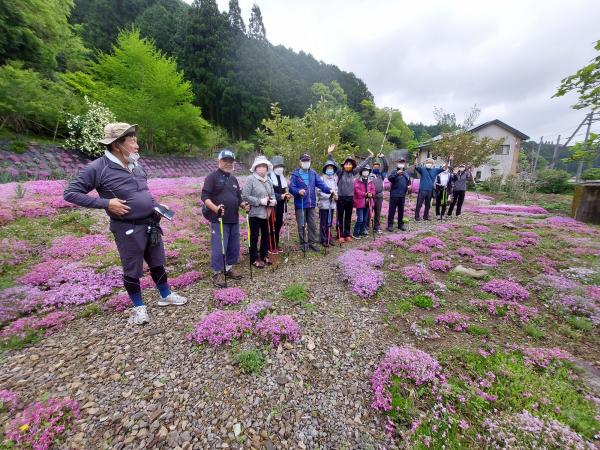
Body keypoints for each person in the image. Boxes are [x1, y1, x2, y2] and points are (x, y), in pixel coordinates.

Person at [63, 123, 187, 326]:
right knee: (132, 269)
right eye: (132, 141)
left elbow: (141, 192)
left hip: (150, 223)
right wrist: (106, 203)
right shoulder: (98, 168)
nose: (137, 145)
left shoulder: (135, 165)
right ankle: (138, 308)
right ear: (117, 145)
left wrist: (155, 205)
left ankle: (165, 295)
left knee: (157, 262)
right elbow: (70, 193)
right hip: (127, 228)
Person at [201, 149, 250, 287]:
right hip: (219, 219)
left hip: (233, 218)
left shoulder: (233, 179)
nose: (228, 163)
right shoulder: (212, 177)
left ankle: (228, 269)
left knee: (233, 246)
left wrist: (243, 205)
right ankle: (217, 273)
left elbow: (238, 198)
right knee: (219, 247)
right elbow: (204, 197)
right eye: (225, 161)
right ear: (219, 161)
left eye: (231, 161)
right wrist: (215, 209)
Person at [325, 144, 373, 242]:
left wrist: (370, 157)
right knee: (340, 217)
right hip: (341, 198)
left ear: (352, 166)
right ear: (344, 165)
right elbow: (333, 162)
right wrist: (330, 153)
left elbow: (362, 165)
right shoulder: (340, 172)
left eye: (350, 164)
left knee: (348, 217)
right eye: (346, 164)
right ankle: (340, 235)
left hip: (350, 198)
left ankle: (347, 234)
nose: (348, 165)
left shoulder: (353, 172)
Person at [289, 152, 332, 252]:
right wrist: (298, 191)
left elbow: (321, 184)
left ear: (310, 161)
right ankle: (303, 243)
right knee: (302, 225)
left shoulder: (313, 173)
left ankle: (312, 242)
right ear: (300, 162)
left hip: (311, 204)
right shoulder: (295, 175)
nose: (306, 162)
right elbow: (291, 188)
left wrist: (329, 190)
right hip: (301, 205)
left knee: (312, 224)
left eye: (307, 160)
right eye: (304, 160)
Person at [242, 155, 277, 268]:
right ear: (255, 168)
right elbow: (245, 196)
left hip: (267, 213)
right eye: (260, 166)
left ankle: (264, 254)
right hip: (254, 213)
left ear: (267, 168)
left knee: (266, 235)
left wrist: (273, 201)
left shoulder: (269, 180)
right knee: (254, 236)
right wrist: (259, 201)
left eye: (264, 166)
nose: (262, 168)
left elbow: (272, 193)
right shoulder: (250, 179)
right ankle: (254, 257)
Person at [268, 156, 292, 251]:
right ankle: (269, 245)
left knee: (278, 224)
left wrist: (286, 196)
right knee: (271, 225)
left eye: (281, 166)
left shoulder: (282, 178)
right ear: (273, 167)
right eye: (278, 166)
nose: (280, 168)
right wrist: (280, 196)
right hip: (272, 206)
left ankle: (275, 244)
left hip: (281, 206)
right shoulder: (269, 177)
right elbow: (269, 192)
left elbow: (284, 191)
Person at [414, 157, 444, 221]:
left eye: (430, 163)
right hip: (422, 189)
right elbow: (416, 166)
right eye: (428, 162)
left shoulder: (435, 170)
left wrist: (449, 160)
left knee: (428, 205)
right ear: (425, 163)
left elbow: (444, 168)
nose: (429, 164)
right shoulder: (422, 169)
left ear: (433, 164)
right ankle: (416, 216)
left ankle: (426, 216)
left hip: (430, 190)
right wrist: (416, 157)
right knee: (419, 203)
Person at [365, 154, 389, 234]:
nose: (376, 168)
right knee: (368, 212)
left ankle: (377, 227)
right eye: (375, 167)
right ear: (372, 167)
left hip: (379, 196)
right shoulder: (369, 174)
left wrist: (382, 157)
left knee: (378, 212)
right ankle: (366, 227)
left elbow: (386, 167)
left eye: (378, 167)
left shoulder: (381, 174)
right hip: (370, 196)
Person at [317, 160, 339, 247]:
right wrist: (329, 196)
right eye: (328, 168)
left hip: (332, 204)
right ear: (325, 169)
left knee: (329, 221)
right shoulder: (321, 179)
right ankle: (323, 239)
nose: (330, 169)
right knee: (324, 222)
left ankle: (329, 237)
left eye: (331, 168)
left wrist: (336, 196)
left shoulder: (334, 178)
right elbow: (319, 192)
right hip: (324, 205)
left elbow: (336, 190)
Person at [387, 157, 412, 231]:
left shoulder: (406, 173)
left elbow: (409, 183)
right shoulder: (394, 172)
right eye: (400, 162)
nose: (401, 164)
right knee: (392, 211)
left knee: (401, 211)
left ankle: (400, 225)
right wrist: (397, 174)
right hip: (394, 195)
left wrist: (409, 187)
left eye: (402, 163)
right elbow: (390, 179)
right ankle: (390, 225)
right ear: (397, 164)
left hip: (402, 195)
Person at [353, 164, 376, 239]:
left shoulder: (370, 181)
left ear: (369, 172)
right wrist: (365, 194)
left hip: (368, 202)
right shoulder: (357, 181)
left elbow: (373, 190)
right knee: (360, 218)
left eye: (367, 171)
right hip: (360, 202)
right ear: (361, 172)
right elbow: (357, 191)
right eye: (364, 170)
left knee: (365, 218)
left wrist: (371, 194)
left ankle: (362, 231)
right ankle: (355, 233)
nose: (365, 172)